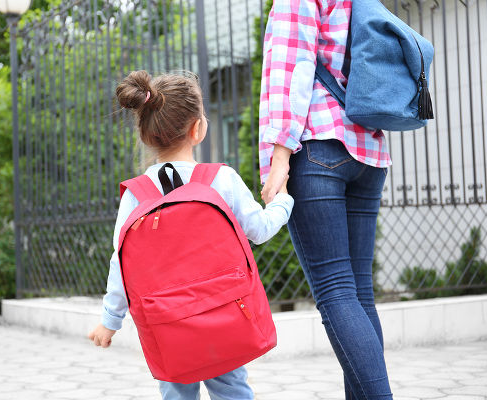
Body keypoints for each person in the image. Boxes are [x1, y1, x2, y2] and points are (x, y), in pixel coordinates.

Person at [88, 70, 294, 400]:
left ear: (144, 135)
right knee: (232, 391)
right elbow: (259, 229)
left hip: (168, 329)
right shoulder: (222, 179)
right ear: (197, 129)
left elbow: (121, 263)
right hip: (223, 317)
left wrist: (110, 320)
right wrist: (283, 201)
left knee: (176, 391)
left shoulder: (135, 195)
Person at [258, 1, 393, 399]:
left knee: (336, 292)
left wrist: (280, 153)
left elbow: (292, 67)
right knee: (358, 295)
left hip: (317, 145)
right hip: (367, 149)